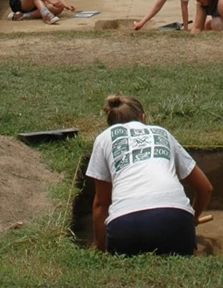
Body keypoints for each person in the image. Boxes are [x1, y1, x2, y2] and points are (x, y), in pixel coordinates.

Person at [86, 95, 213, 256]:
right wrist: (191, 220)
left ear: (110, 123)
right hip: (176, 218)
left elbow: (101, 205)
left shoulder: (103, 138)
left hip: (125, 225)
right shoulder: (162, 133)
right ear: (143, 118)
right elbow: (205, 188)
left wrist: (100, 247)